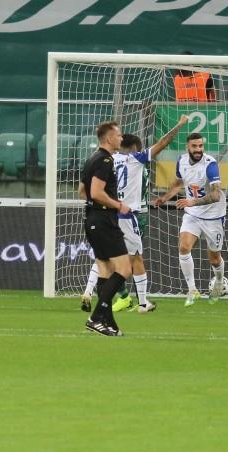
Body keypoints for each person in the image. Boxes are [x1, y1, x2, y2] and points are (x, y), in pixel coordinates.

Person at [81, 116, 190, 314]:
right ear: (134, 149)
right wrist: (180, 124)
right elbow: (163, 143)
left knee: (104, 259)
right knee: (135, 259)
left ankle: (91, 293)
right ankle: (142, 303)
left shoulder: (104, 160)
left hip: (106, 215)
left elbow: (85, 190)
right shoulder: (136, 159)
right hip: (126, 215)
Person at [152, 133, 227, 306]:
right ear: (188, 147)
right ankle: (192, 290)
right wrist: (165, 197)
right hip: (192, 213)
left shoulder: (210, 165)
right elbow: (179, 183)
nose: (198, 149)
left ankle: (219, 281)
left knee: (214, 259)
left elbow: (216, 195)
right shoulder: (182, 161)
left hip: (213, 216)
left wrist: (192, 201)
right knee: (184, 247)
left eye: (201, 146)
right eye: (194, 146)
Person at [78, 121, 132, 337]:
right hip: (104, 221)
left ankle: (108, 323)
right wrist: (118, 205)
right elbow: (96, 192)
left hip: (92, 218)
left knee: (105, 271)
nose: (121, 138)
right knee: (124, 270)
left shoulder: (92, 158)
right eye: (119, 135)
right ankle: (95, 318)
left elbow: (82, 191)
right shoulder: (105, 160)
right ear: (109, 138)